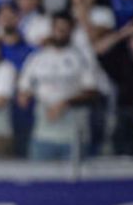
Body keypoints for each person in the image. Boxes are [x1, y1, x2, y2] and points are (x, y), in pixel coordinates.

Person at [16, 13, 101, 160]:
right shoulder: (37, 58)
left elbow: (93, 93)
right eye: (58, 28)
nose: (60, 32)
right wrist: (25, 97)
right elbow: (24, 89)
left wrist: (65, 103)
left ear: (71, 31)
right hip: (42, 134)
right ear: (52, 29)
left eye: (65, 28)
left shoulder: (81, 59)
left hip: (73, 135)